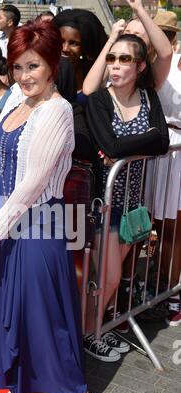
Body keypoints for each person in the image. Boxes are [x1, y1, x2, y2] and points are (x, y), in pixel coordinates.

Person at [0, 19, 99, 393]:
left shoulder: (59, 111)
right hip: (4, 227)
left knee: (46, 314)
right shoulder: (13, 101)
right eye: (18, 67)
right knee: (12, 307)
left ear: (50, 64)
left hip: (40, 227)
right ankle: (21, 381)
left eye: (34, 66)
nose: (25, 76)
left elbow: (33, 183)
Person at [85, 34, 169, 361]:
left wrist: (126, 149)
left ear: (140, 66)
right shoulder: (98, 101)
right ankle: (88, 335)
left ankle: (96, 328)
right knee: (107, 277)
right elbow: (114, 147)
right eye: (112, 58)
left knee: (108, 279)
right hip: (101, 203)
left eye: (125, 60)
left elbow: (161, 143)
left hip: (132, 202)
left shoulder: (148, 97)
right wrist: (144, 141)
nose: (116, 66)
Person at [145, 11, 181, 326]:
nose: (163, 38)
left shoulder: (175, 64)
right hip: (151, 151)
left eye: (168, 33)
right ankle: (155, 284)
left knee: (171, 228)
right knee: (151, 223)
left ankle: (172, 295)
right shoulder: (145, 64)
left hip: (175, 154)